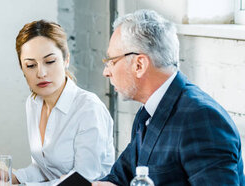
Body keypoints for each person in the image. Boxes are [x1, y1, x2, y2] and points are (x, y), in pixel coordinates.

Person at [93, 10, 244, 185]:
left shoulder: (200, 118)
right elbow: (120, 177)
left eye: (112, 61)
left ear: (139, 64)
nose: (106, 72)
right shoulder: (148, 112)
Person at [10, 20, 115, 185]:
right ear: (22, 68)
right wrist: (12, 177)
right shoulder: (33, 103)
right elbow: (45, 169)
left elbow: (82, 181)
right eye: (30, 65)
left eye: (50, 61)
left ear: (66, 59)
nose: (41, 73)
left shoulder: (88, 109)